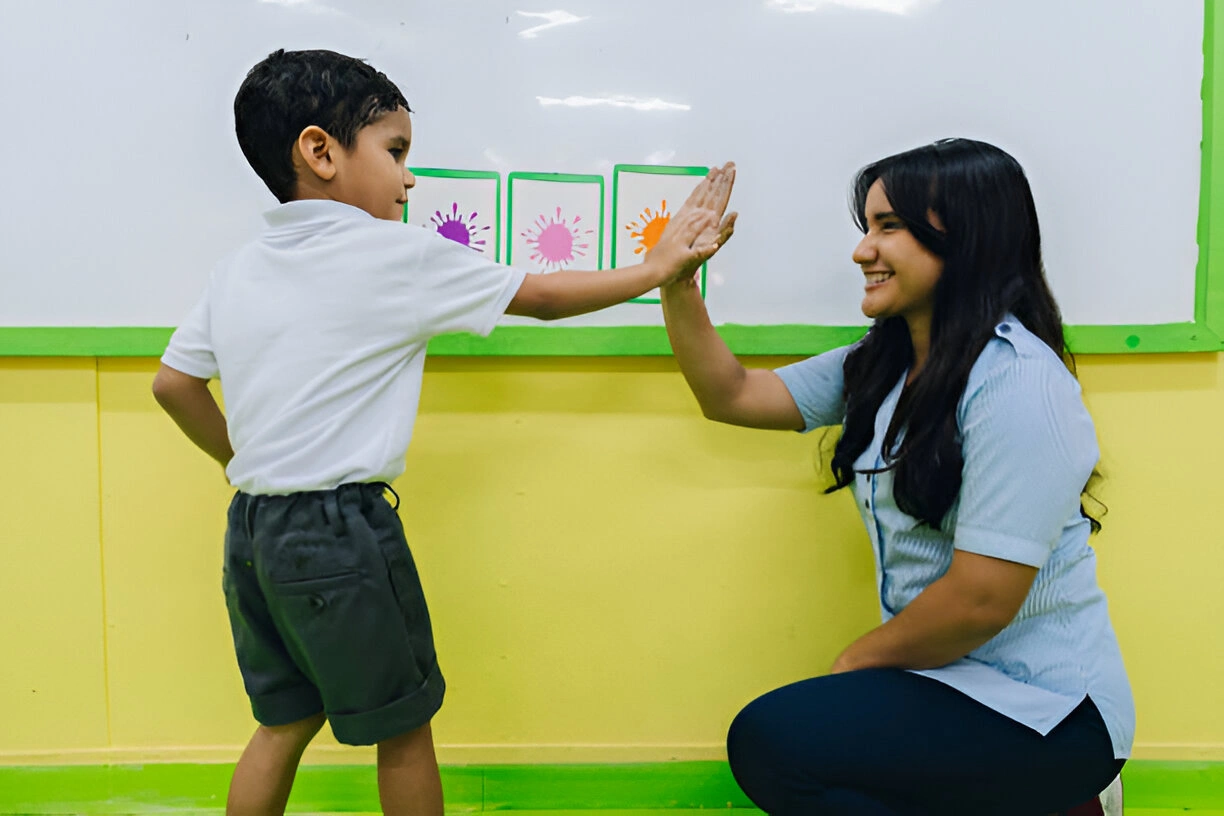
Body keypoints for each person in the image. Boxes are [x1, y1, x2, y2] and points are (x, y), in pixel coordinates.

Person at [151, 48, 735, 816]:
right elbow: (546, 297)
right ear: (320, 151)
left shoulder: (239, 269)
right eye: (396, 152)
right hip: (339, 531)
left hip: (254, 529)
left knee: (283, 720)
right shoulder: (394, 253)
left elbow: (174, 384)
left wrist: (249, 461)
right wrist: (658, 267)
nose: (409, 178)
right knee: (404, 727)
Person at [660, 139, 1132, 815]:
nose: (862, 250)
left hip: (1048, 710)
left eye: (889, 227)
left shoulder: (1019, 382)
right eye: (867, 227)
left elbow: (981, 600)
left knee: (778, 740)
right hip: (945, 682)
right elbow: (732, 395)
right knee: (798, 749)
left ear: (965, 240)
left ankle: (1073, 794)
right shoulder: (882, 363)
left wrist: (854, 665)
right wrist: (676, 281)